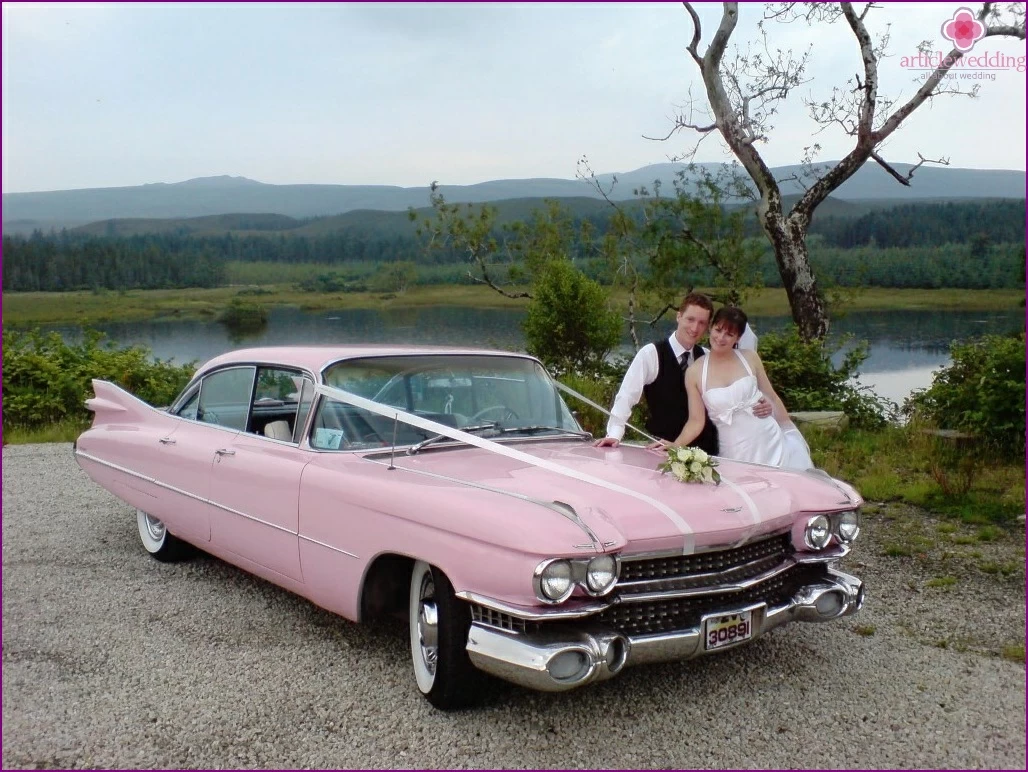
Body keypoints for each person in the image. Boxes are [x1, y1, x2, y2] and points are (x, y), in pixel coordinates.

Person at [596, 293, 771, 453]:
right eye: (690, 319)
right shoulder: (651, 354)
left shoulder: (708, 357)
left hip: (710, 452)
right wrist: (615, 433)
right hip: (664, 452)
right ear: (679, 316)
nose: (695, 328)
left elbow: (733, 396)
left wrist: (761, 403)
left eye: (702, 323)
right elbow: (626, 396)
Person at [670, 306, 813, 470]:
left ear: (737, 338)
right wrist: (675, 445)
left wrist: (789, 430)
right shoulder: (694, 372)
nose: (721, 338)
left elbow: (771, 397)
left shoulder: (750, 358)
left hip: (771, 441)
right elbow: (696, 421)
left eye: (729, 334)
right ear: (711, 328)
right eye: (718, 330)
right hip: (735, 451)